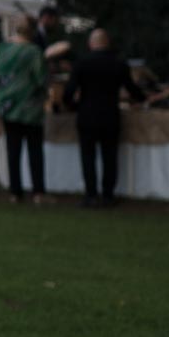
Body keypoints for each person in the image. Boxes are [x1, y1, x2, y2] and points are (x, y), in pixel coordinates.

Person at [65, 29, 145, 208]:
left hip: (87, 114)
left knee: (88, 156)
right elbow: (131, 88)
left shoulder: (82, 63)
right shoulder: (118, 63)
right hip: (110, 114)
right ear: (107, 43)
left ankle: (91, 194)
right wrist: (142, 98)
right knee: (110, 156)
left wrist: (71, 106)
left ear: (91, 44)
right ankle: (108, 194)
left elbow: (69, 91)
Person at [0, 16, 49, 203]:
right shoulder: (33, 52)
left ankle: (15, 192)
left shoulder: (2, 49)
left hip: (8, 106)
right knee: (35, 150)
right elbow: (41, 79)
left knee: (13, 150)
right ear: (32, 31)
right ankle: (38, 192)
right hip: (30, 107)